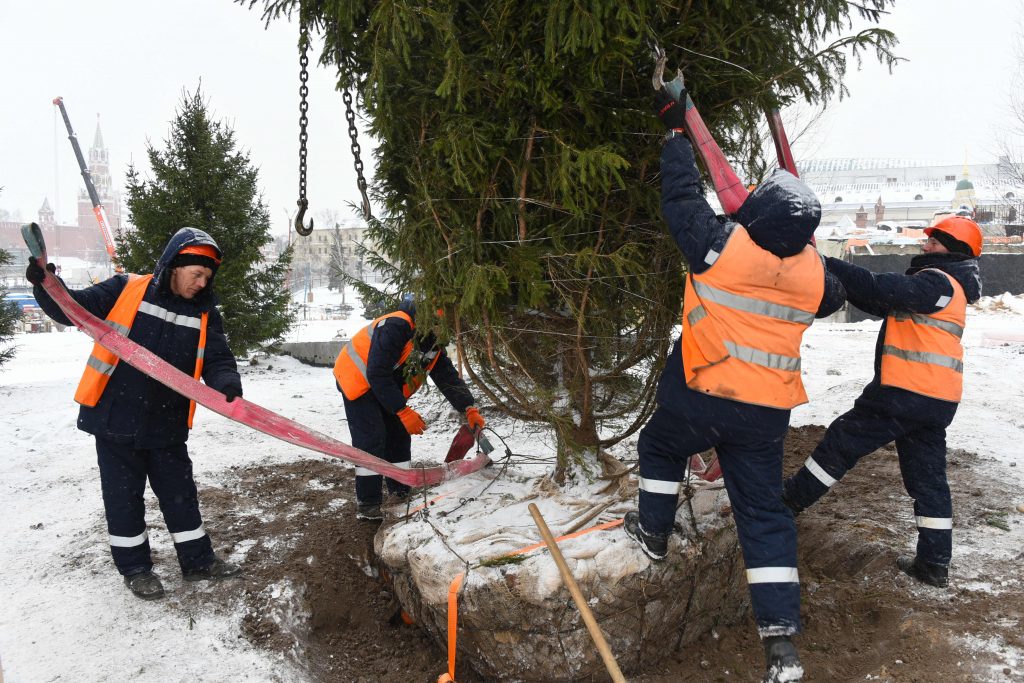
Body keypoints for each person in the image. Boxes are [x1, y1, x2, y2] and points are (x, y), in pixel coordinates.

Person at [623, 87, 846, 683]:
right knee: (763, 516)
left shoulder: (717, 246)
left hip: (699, 397)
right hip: (764, 418)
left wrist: (676, 133)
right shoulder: (815, 281)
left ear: (756, 215)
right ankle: (781, 646)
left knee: (658, 448)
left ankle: (653, 532)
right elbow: (837, 289)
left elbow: (681, 198)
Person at [27, 227, 244, 601]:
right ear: (175, 265)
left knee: (180, 495)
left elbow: (218, 357)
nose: (202, 281)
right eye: (197, 273)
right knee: (123, 498)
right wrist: (47, 285)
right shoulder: (126, 289)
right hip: (115, 418)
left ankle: (198, 563)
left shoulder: (205, 313)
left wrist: (227, 383)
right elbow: (72, 309)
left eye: (208, 276)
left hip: (167, 422)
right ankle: (136, 569)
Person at [782, 216, 983, 589]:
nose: (925, 247)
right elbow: (877, 298)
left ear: (954, 251)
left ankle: (787, 504)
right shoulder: (947, 288)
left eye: (935, 244)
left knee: (842, 442)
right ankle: (933, 564)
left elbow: (879, 287)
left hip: (904, 392)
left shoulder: (938, 283)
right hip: (935, 400)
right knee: (928, 481)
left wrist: (824, 261)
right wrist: (840, 277)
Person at [332, 295, 486, 521]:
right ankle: (368, 504)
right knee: (372, 439)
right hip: (358, 381)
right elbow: (377, 372)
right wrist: (402, 411)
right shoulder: (397, 325)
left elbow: (446, 376)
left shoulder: (431, 340)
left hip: (383, 386)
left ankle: (400, 492)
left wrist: (468, 407)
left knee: (399, 437)